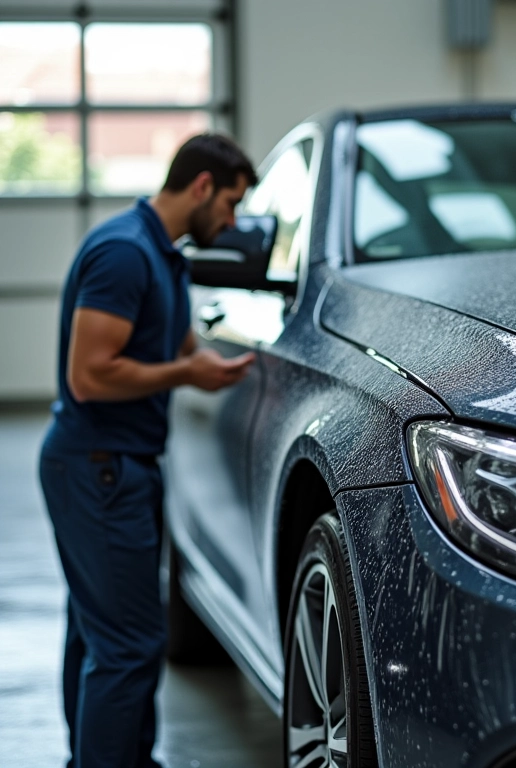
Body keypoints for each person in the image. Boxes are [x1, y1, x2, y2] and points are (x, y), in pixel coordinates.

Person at [38, 133, 258, 768]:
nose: (233, 221)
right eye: (230, 204)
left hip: (118, 466)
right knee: (130, 645)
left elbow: (173, 339)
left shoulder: (165, 257)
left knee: (98, 633)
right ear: (201, 187)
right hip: (99, 466)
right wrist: (186, 375)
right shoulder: (124, 254)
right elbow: (91, 374)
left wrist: (211, 361)